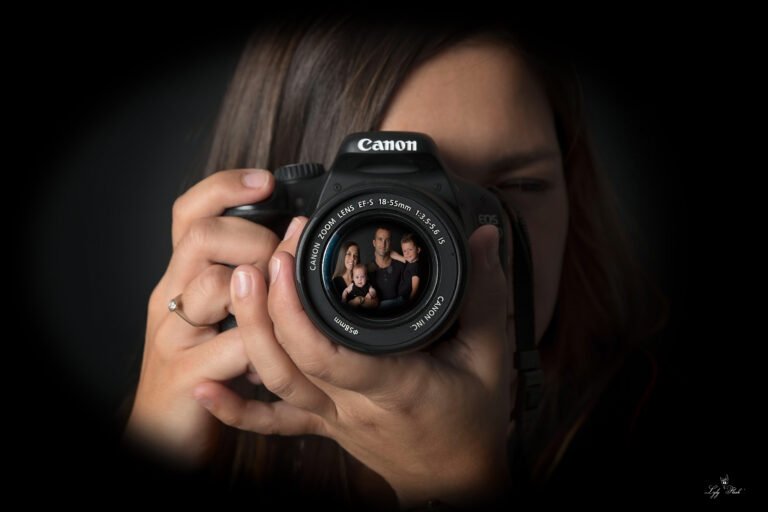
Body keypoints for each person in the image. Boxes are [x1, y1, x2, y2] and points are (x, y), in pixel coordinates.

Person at [125, 18, 669, 508]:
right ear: (289, 222)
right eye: (397, 197)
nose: (461, 245)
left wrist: (456, 478)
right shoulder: (217, 433)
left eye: (517, 188)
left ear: (575, 191)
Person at [368, 226, 406, 310]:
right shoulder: (366, 270)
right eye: (380, 239)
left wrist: (400, 257)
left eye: (387, 240)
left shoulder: (400, 265)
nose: (383, 244)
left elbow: (415, 267)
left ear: (390, 244)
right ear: (374, 243)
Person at [390, 233, 423, 301]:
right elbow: (391, 253)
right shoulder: (409, 262)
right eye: (404, 251)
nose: (407, 253)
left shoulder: (415, 267)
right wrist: (405, 258)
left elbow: (415, 289)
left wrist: (410, 302)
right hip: (400, 297)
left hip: (404, 299)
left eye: (410, 249)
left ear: (418, 250)